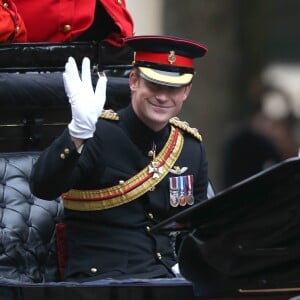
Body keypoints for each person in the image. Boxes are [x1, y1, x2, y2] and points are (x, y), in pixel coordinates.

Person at [30, 35, 209, 282]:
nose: (163, 97)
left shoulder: (190, 147)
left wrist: (188, 266)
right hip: (103, 283)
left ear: (187, 91)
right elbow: (43, 186)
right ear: (134, 81)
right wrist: (77, 134)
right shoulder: (95, 133)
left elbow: (197, 228)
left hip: (167, 280)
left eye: (174, 88)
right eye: (154, 85)